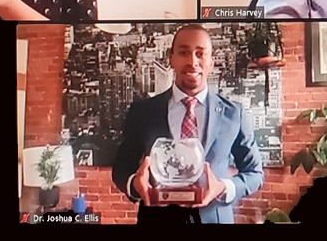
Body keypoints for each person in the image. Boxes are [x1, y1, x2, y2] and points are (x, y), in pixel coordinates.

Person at [111, 25, 264, 224]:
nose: (192, 62)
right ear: (171, 58)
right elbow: (122, 169)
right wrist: (135, 185)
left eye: (200, 54)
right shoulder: (143, 112)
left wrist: (222, 187)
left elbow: (254, 174)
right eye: (184, 53)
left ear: (211, 61)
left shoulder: (234, 114)